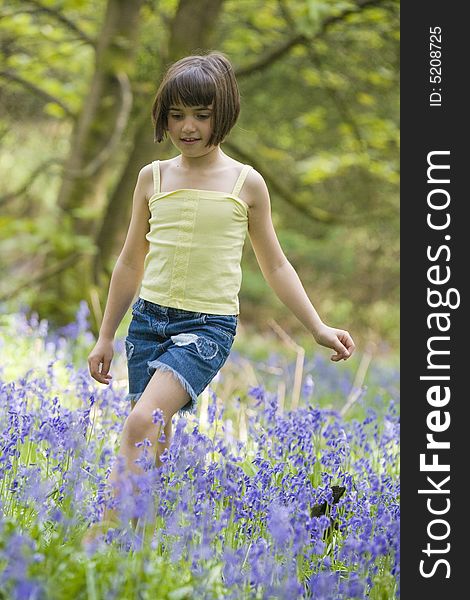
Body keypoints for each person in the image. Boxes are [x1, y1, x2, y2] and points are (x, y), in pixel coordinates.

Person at [82, 51, 355, 545]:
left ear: (222, 116)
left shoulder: (245, 184)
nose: (188, 127)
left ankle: (102, 532)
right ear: (164, 116)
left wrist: (317, 326)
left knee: (141, 421)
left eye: (201, 116)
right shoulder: (153, 178)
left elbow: (275, 263)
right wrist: (105, 335)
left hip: (206, 328)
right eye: (177, 114)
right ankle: (137, 549)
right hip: (148, 321)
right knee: (153, 440)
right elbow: (128, 261)